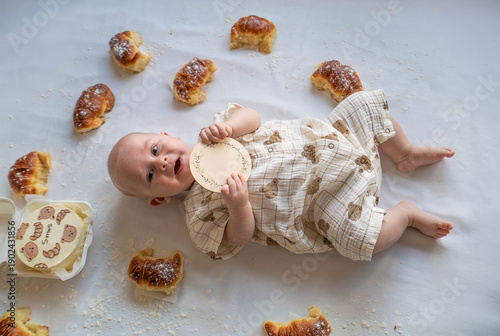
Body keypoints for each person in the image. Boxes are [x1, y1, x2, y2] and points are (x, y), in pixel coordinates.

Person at [108, 90, 454, 261]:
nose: (163, 163)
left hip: (332, 141)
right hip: (326, 205)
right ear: (159, 199)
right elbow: (238, 237)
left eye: (156, 151)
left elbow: (253, 116)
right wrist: (239, 207)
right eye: (151, 175)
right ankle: (404, 214)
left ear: (168, 136)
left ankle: (404, 152)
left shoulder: (215, 135)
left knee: (362, 103)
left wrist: (231, 126)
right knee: (359, 242)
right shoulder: (199, 215)